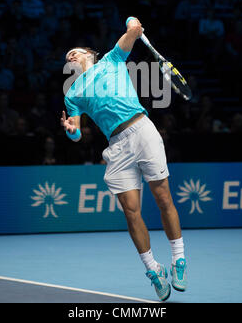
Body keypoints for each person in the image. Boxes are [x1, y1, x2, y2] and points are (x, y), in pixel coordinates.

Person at [61, 17, 187, 301]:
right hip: (116, 147)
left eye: (76, 51)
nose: (71, 55)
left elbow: (133, 28)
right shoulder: (72, 95)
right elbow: (77, 134)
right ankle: (153, 269)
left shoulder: (112, 59)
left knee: (163, 197)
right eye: (68, 55)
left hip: (141, 130)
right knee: (131, 212)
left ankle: (179, 259)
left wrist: (134, 23)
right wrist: (71, 131)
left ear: (90, 54)